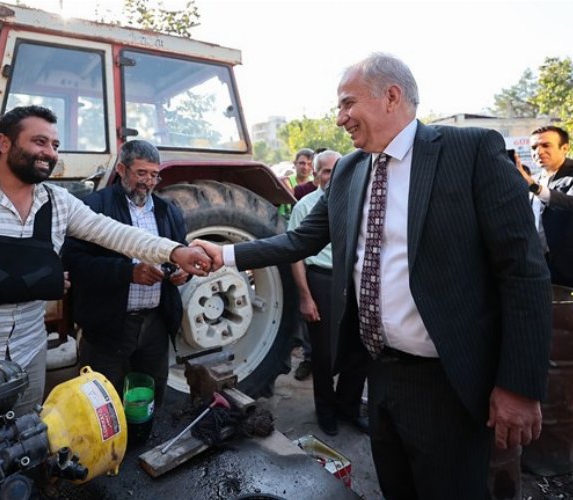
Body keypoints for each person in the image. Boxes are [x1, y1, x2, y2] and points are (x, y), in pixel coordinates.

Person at [191, 53, 551, 499]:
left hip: (450, 383)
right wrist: (224, 253)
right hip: (379, 373)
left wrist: (518, 385)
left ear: (391, 97)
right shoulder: (348, 170)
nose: (340, 118)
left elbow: (524, 272)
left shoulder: (470, 151)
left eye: (347, 104)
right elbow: (299, 240)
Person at [0, 106, 210, 468]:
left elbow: (116, 234)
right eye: (39, 141)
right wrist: (40, 280)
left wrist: (174, 250)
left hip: (26, 359)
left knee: (19, 459)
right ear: (4, 142)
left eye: (54, 144)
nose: (49, 152)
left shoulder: (58, 201)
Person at [62, 140, 189, 404]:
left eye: (154, 175)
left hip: (155, 324)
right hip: (108, 326)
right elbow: (74, 262)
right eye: (141, 173)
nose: (149, 182)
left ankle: (143, 442)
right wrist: (127, 273)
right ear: (121, 168)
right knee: (101, 402)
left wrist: (181, 274)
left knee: (149, 396)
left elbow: (181, 252)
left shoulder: (168, 211)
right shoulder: (94, 207)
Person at [289, 150, 368, 437]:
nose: (332, 177)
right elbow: (295, 255)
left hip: (355, 280)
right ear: (315, 175)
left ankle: (348, 407)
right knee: (324, 353)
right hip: (321, 281)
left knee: (360, 349)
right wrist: (305, 296)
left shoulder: (357, 201)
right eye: (325, 171)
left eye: (338, 170)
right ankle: (325, 410)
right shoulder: (305, 206)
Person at [514, 125, 573, 287]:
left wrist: (534, 187)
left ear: (565, 148)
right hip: (540, 264)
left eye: (546, 145)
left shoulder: (534, 183)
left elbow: (569, 203)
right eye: (534, 147)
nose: (538, 152)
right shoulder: (535, 178)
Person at [278, 148, 314, 219]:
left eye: (309, 164)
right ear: (295, 164)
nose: (305, 167)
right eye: (302, 163)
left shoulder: (315, 184)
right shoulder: (285, 182)